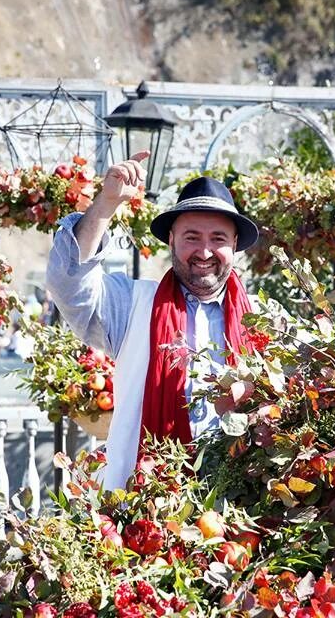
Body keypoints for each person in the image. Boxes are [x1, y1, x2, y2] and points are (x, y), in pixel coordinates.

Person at [46, 151, 260, 489]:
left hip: (241, 502)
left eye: (218, 239)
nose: (204, 252)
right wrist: (106, 204)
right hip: (147, 504)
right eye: (192, 237)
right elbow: (68, 284)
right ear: (172, 240)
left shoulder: (262, 322)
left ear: (234, 245)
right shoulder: (133, 304)